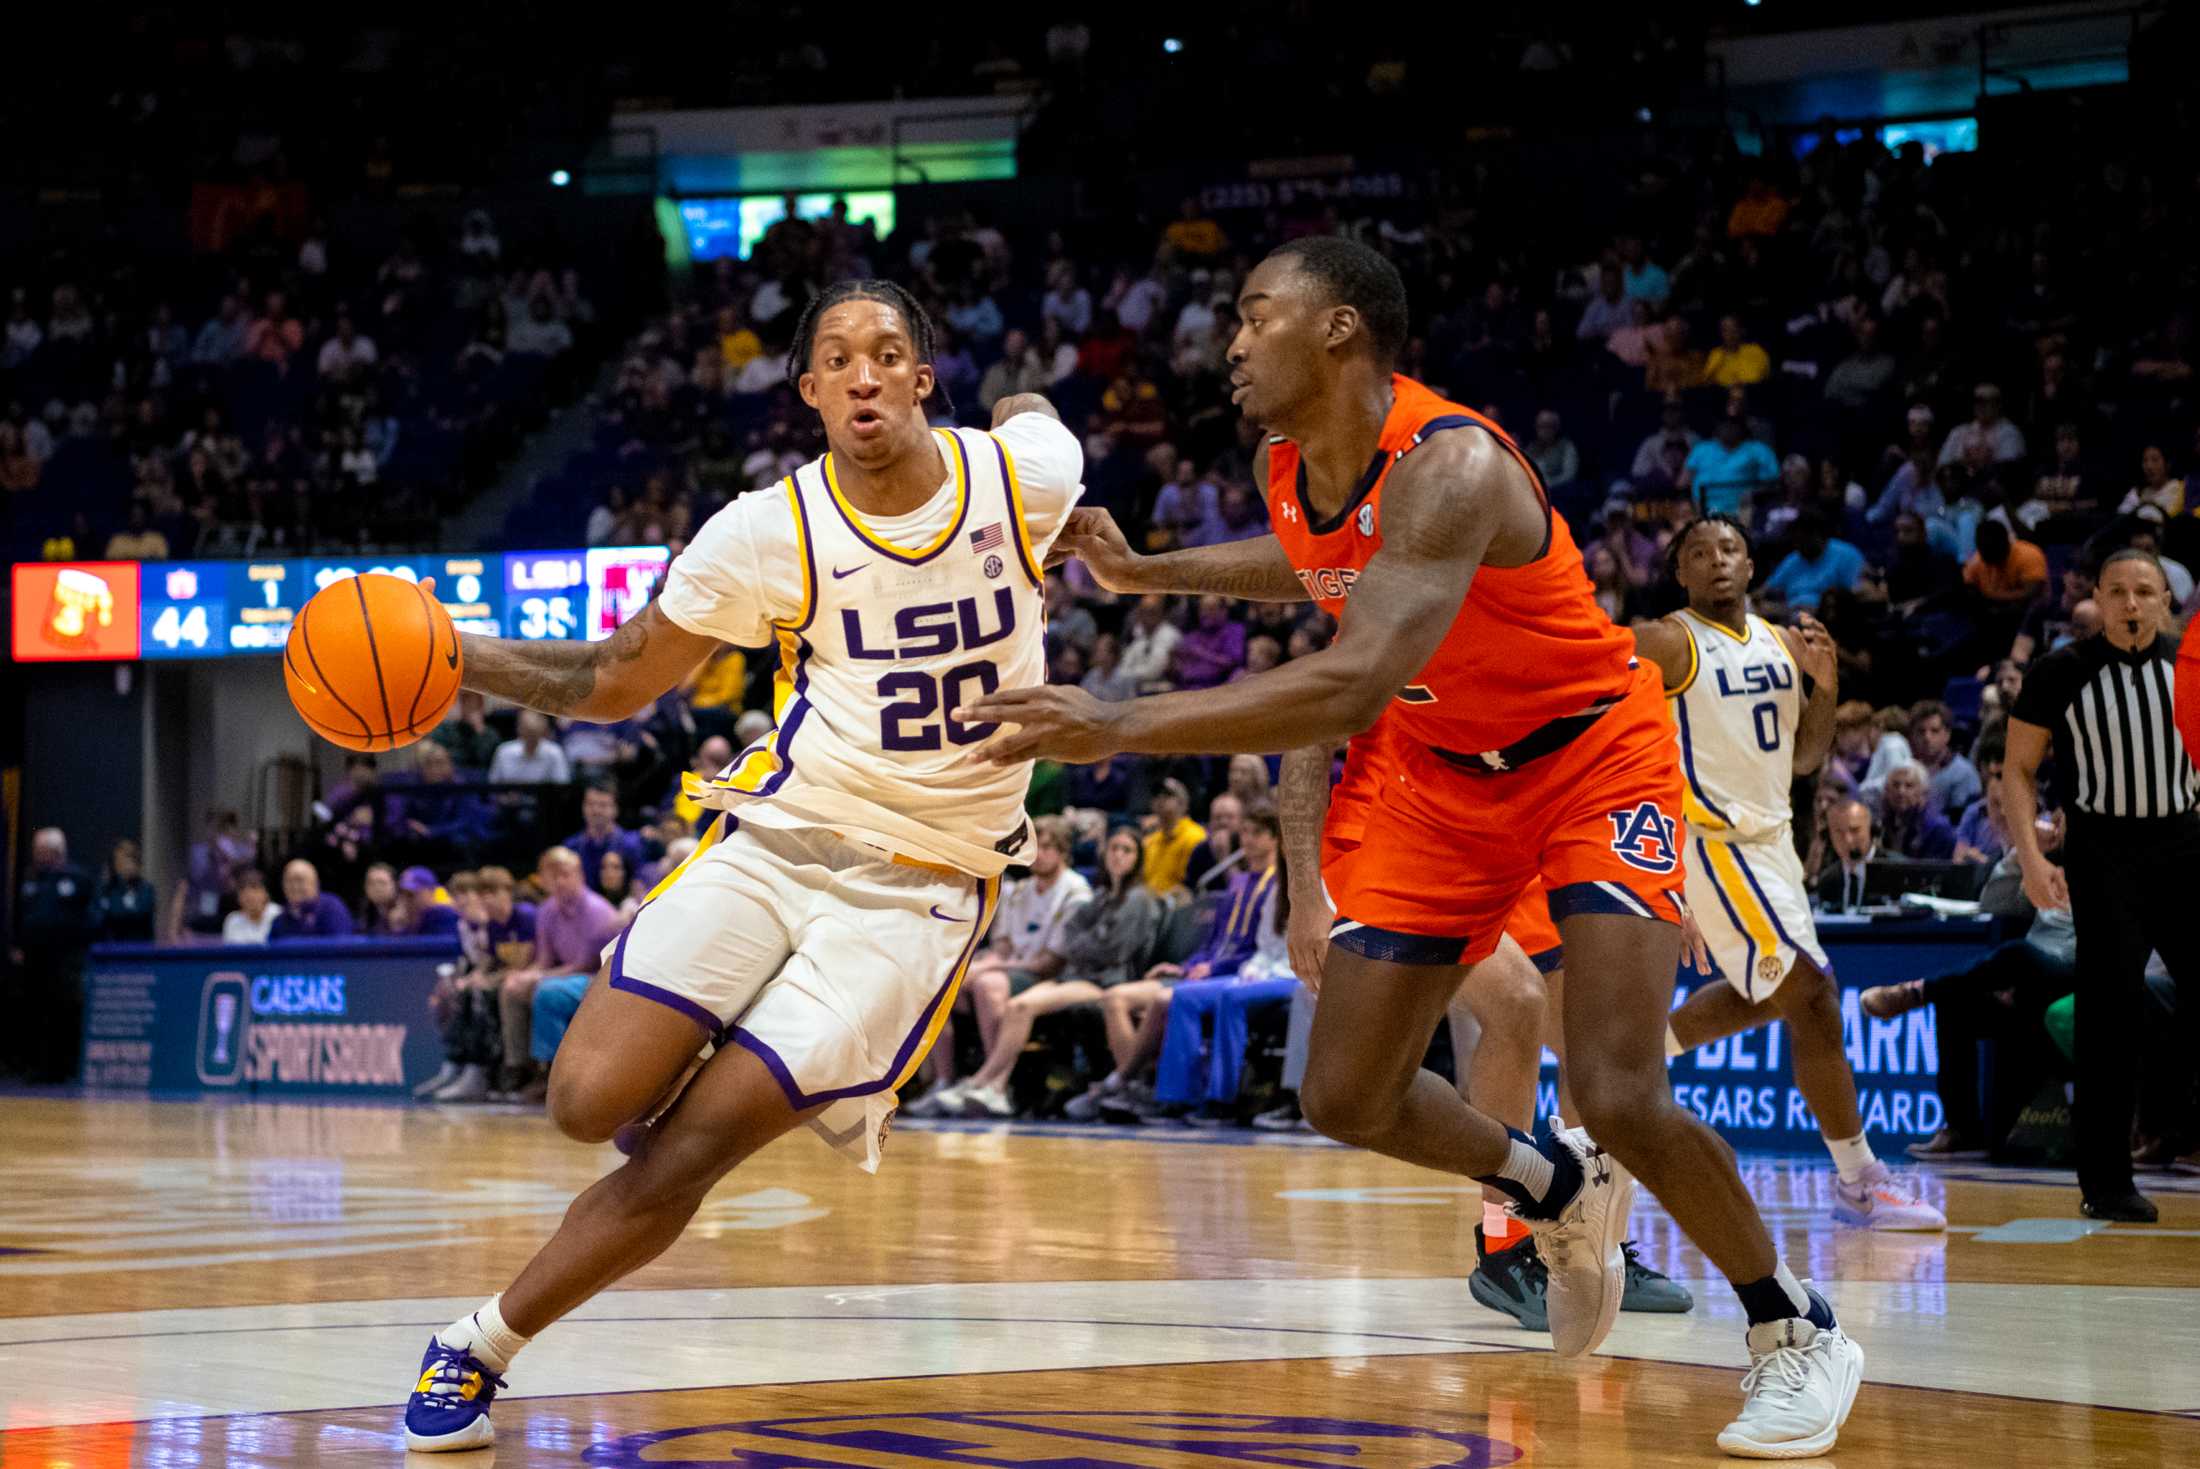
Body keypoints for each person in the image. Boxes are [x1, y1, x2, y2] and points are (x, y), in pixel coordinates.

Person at [961, 237, 1860, 1455]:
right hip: (1450, 781)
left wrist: (1121, 721)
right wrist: (1147, 571)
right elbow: (1320, 562)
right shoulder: (1291, 458)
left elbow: (1352, 680)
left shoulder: (1454, 465)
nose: (1228, 340)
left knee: (1615, 1085)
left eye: (1252, 314)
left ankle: (1794, 1325)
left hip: (1593, 758)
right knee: (1346, 1091)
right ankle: (1549, 1184)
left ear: (1337, 330)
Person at [397, 279, 1083, 1452]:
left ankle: (477, 1343)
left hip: (916, 890)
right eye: (836, 359)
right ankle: (691, 1056)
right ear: (808, 391)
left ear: (922, 377)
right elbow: (615, 678)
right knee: (582, 1102)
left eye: (886, 354)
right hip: (776, 837)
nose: (862, 374)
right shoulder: (763, 529)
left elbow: (1039, 415)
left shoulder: (1026, 476)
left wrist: (1026, 407)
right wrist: (458, 657)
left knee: (688, 1154)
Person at [1634, 516, 1944, 1231]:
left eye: (1730, 550)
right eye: (1699, 553)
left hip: (1774, 845)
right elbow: (1585, 659)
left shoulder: (1781, 642)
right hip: (1716, 844)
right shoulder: (1670, 639)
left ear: (1751, 563)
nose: (1717, 561)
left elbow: (1806, 761)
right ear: (1680, 572)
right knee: (1810, 994)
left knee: (1766, 992)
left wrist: (1826, 687)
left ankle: (1640, 1058)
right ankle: (1860, 1179)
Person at [2002, 549, 2199, 1223]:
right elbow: (2019, 771)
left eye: (2145, 590)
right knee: (2109, 1015)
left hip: (2185, 844)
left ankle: (2174, 1129)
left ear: (2167, 601)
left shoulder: (2190, 666)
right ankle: (2107, 1180)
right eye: (2118, 590)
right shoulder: (2061, 670)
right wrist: (2031, 858)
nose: (2132, 602)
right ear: (2098, 599)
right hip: (2103, 850)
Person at [954, 826, 1162, 1117]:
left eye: (1126, 850)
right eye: (1113, 848)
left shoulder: (1139, 899)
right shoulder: (1102, 896)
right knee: (1015, 1006)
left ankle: (984, 1082)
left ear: (1138, 859)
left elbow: (1114, 951)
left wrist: (1085, 943)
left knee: (1024, 1005)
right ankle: (993, 1085)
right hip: (1076, 975)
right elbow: (1072, 937)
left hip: (1106, 980)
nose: (1118, 855)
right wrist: (1088, 943)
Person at [908, 816, 1091, 1116]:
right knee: (941, 982)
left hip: (1053, 977)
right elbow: (1003, 946)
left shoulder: (1075, 891)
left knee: (986, 984)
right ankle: (943, 1080)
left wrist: (989, 969)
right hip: (1015, 967)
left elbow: (1050, 962)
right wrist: (979, 965)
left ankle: (995, 1085)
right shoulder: (1017, 891)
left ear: (1062, 851)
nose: (1037, 854)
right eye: (1033, 847)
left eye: (1046, 847)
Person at [11, 828, 96, 1080]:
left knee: (64, 1012)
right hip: (35, 960)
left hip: (65, 960)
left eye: (40, 850)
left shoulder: (78, 879)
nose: (35, 855)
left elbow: (91, 917)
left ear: (55, 851)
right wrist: (18, 945)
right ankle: (36, 1067)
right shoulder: (30, 879)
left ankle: (64, 1068)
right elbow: (22, 916)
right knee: (35, 1012)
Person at [1758, 510, 1866, 613]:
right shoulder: (1794, 558)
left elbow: (1861, 593)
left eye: (1805, 539)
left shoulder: (1847, 555)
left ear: (1820, 536)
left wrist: (1821, 608)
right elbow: (1766, 590)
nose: (1799, 545)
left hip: (1830, 618)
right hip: (1789, 613)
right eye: (1797, 540)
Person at [564, 781, 646, 894]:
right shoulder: (571, 846)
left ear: (616, 809)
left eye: (603, 805)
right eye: (590, 804)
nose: (596, 810)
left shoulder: (631, 844)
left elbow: (639, 886)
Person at [1908, 699, 1982, 818]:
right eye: (1921, 731)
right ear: (1912, 735)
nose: (1927, 737)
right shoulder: (1905, 769)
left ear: (1947, 734)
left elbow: (1961, 822)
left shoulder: (1963, 773)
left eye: (1934, 731)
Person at [1140, 778, 1206, 898]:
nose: (1160, 799)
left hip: (1178, 907)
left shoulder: (1194, 836)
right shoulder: (1149, 841)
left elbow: (1190, 885)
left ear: (1183, 803)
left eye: (1167, 795)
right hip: (1148, 905)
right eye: (1157, 795)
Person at [1814, 800, 1879, 914]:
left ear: (1870, 829)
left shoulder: (1899, 871)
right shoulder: (1827, 879)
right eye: (1838, 832)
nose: (1848, 840)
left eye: (1855, 830)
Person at [270, 859, 355, 940]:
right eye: (289, 881)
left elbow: (342, 947)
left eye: (300, 880)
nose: (294, 886)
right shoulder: (280, 919)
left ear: (315, 883)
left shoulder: (332, 908)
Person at [94, 839, 158, 944]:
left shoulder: (146, 889)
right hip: (113, 947)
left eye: (130, 861)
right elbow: (102, 918)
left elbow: (142, 913)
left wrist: (120, 914)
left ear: (137, 864)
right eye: (121, 862)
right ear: (115, 865)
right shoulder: (107, 890)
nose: (126, 867)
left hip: (141, 947)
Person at [488, 712, 573, 784]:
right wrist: (504, 798)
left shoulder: (554, 752)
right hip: (509, 803)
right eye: (528, 734)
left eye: (534, 735)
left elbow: (562, 785)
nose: (530, 739)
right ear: (519, 730)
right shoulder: (504, 751)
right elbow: (493, 785)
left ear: (543, 732)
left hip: (545, 802)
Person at [220, 868, 281, 945]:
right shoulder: (232, 921)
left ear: (266, 893)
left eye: (255, 888)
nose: (249, 894)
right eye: (243, 890)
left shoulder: (278, 914)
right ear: (238, 898)